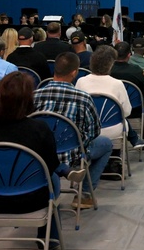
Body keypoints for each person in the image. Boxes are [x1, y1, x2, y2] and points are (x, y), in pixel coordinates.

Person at [0, 72, 84, 243]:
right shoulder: (38, 128)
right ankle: (50, 239)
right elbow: (49, 164)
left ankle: (63, 170)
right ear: (28, 99)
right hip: (33, 199)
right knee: (52, 177)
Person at [33, 52, 114, 202]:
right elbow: (94, 131)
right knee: (107, 144)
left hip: (39, 153)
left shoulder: (34, 96)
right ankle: (84, 194)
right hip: (73, 153)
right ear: (74, 72)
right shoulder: (82, 98)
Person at [75, 45, 144, 149]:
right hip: (113, 129)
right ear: (111, 65)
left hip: (87, 129)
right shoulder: (117, 84)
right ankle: (119, 154)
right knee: (121, 119)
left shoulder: (81, 82)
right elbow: (127, 112)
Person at [109, 42, 144, 148]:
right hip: (135, 109)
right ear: (129, 55)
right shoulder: (136, 70)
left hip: (110, 109)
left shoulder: (108, 71)